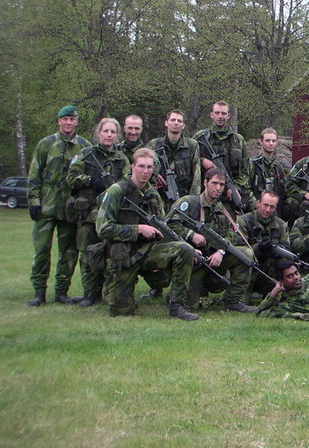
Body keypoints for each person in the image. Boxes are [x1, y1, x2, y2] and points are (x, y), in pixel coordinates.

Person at [96, 148, 198, 320]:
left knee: (184, 250)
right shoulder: (116, 191)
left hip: (148, 251)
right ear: (132, 167)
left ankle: (177, 306)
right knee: (121, 311)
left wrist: (188, 247)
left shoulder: (152, 193)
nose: (145, 171)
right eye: (141, 166)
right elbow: (103, 228)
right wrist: (138, 230)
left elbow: (163, 227)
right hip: (124, 255)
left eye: (149, 167)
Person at [27, 105, 91, 306]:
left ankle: (62, 291)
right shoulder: (46, 144)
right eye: (65, 119)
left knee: (69, 252)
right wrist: (33, 201)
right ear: (58, 121)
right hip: (47, 206)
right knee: (41, 250)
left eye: (72, 119)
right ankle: (39, 292)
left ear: (76, 121)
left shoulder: (84, 146)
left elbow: (90, 175)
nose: (68, 123)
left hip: (70, 209)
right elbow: (34, 174)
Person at [167, 168, 256, 313]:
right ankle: (178, 294)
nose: (218, 188)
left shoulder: (222, 209)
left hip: (213, 260)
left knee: (246, 254)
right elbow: (169, 225)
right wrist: (190, 235)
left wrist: (221, 251)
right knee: (190, 306)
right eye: (214, 183)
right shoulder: (188, 202)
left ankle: (233, 301)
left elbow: (231, 234)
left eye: (221, 184)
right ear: (205, 183)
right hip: (191, 263)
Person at [65, 118, 131, 307]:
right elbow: (71, 178)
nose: (109, 135)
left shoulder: (121, 158)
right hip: (89, 214)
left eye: (113, 132)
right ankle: (89, 293)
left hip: (111, 215)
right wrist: (90, 180)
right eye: (106, 131)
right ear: (99, 133)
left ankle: (107, 291)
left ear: (117, 135)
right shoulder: (86, 154)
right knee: (87, 254)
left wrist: (116, 187)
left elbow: (128, 180)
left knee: (110, 254)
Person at [193, 101, 251, 211]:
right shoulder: (200, 137)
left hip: (229, 195)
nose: (220, 116)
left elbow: (245, 170)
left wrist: (236, 188)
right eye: (217, 113)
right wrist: (202, 160)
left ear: (228, 116)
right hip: (204, 195)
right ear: (211, 115)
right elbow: (190, 161)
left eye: (223, 113)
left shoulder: (238, 140)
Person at [234, 190, 290, 300]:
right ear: (258, 203)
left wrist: (274, 249)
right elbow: (238, 249)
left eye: (272, 207)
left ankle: (275, 293)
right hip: (250, 268)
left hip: (271, 268)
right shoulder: (244, 221)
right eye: (265, 205)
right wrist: (258, 248)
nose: (268, 210)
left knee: (285, 262)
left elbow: (287, 249)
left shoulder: (281, 225)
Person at [146, 109, 202, 211]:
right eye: (173, 120)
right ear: (166, 123)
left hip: (183, 199)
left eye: (179, 121)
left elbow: (196, 178)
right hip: (158, 200)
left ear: (183, 125)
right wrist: (154, 175)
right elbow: (142, 168)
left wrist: (193, 202)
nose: (176, 123)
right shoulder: (153, 145)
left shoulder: (192, 146)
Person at [248, 127, 289, 217]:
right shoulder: (252, 164)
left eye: (273, 141)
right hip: (256, 211)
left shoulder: (278, 167)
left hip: (275, 211)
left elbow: (284, 191)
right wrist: (255, 205)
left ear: (277, 142)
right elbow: (246, 188)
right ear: (261, 142)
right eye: (267, 140)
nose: (271, 143)